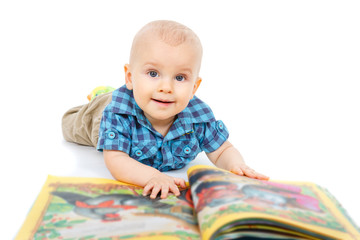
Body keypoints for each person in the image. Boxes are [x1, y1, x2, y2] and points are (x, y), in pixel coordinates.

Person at [62, 20, 269, 200]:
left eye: (179, 78)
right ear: (130, 77)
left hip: (141, 97)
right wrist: (151, 176)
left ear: (194, 87)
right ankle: (100, 96)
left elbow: (222, 149)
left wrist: (236, 166)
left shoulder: (198, 118)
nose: (166, 87)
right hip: (103, 115)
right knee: (70, 124)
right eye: (153, 73)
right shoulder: (117, 114)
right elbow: (116, 160)